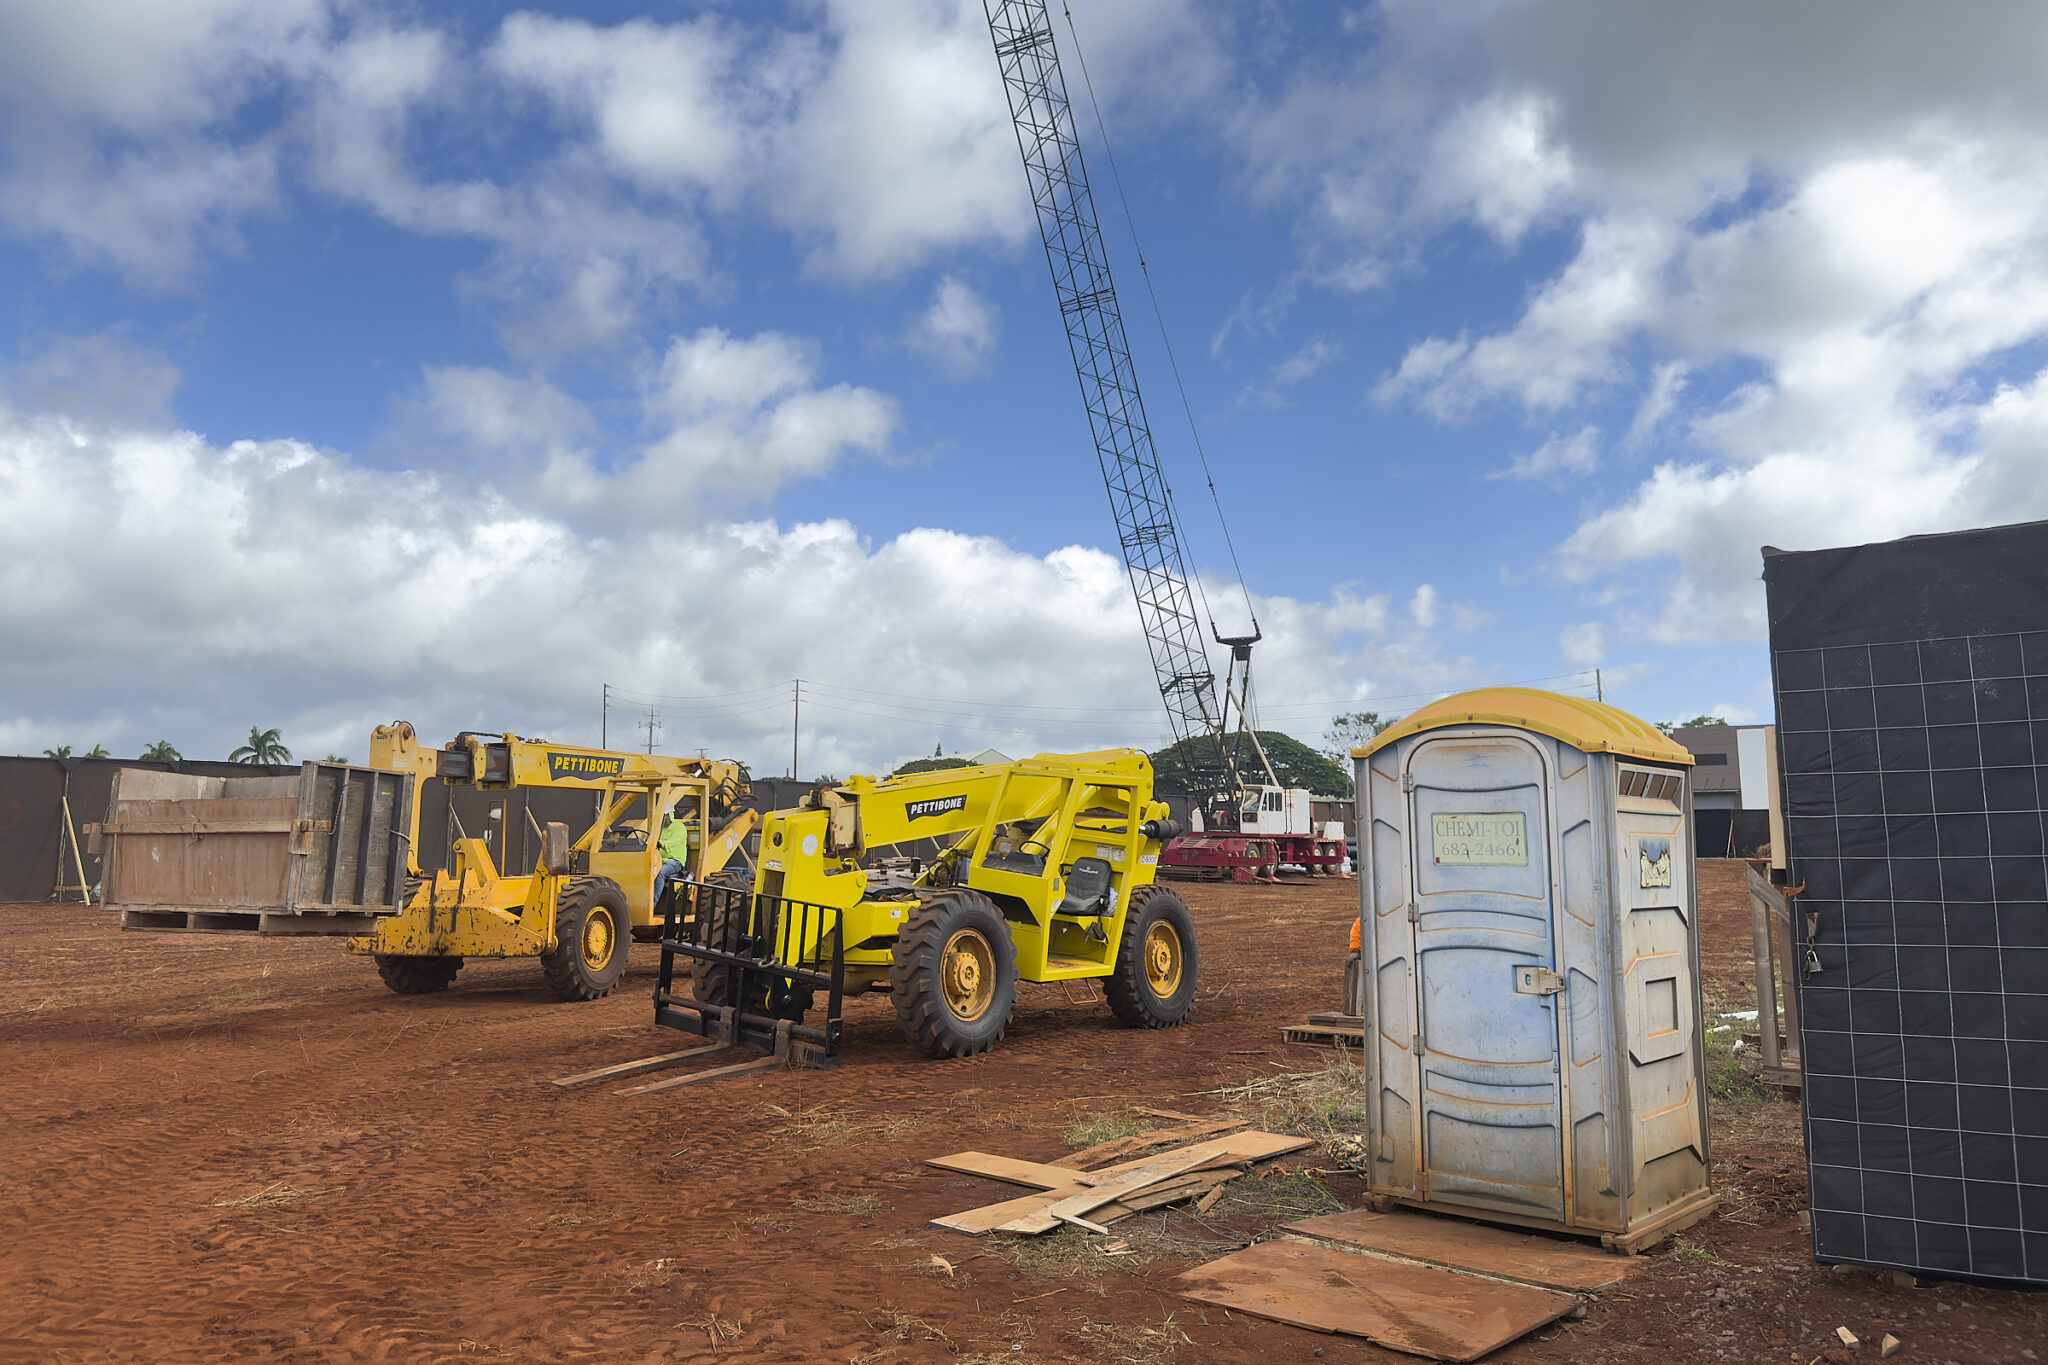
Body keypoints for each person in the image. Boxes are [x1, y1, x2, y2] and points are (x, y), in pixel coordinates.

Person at [651, 802, 698, 908]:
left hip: (674, 862)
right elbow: (649, 842)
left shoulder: (680, 828)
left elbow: (674, 841)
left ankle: (652, 905)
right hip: (657, 860)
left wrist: (662, 844)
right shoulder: (657, 829)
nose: (662, 819)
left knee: (660, 872)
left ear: (669, 815)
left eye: (663, 816)